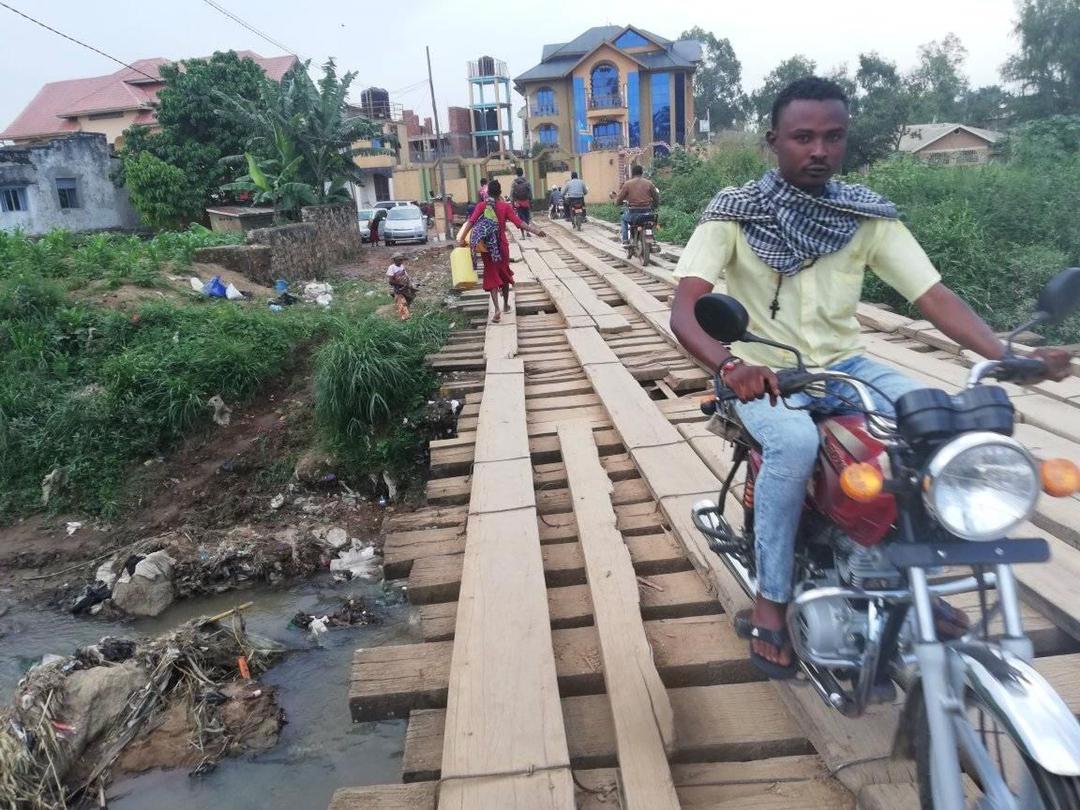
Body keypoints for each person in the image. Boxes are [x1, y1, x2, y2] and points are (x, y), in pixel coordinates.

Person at [669, 76, 1073, 680]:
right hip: (765, 370)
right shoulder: (733, 214)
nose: (819, 150)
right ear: (773, 141)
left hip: (846, 365)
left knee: (939, 422)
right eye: (803, 137)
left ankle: (915, 573)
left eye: (833, 137)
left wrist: (1008, 353)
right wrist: (730, 364)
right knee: (796, 443)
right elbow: (684, 309)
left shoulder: (864, 216)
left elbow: (932, 296)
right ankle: (772, 599)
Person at [458, 179, 547, 323]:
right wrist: (535, 230)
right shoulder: (504, 207)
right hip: (502, 247)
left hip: (487, 249)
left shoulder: (481, 206)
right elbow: (519, 222)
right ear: (500, 192)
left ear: (487, 193)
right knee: (504, 275)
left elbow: (471, 222)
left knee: (491, 275)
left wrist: (461, 239)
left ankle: (497, 309)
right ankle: (505, 305)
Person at [615, 164, 660, 245]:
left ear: (632, 173)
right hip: (647, 211)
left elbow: (619, 199)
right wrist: (655, 206)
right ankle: (652, 238)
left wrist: (617, 203)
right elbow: (656, 197)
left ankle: (625, 240)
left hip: (633, 213)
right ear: (642, 173)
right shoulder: (649, 183)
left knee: (623, 218)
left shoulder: (627, 184)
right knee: (650, 223)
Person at [386, 253, 416, 320]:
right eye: (399, 260)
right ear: (394, 260)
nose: (400, 262)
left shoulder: (402, 266)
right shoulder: (392, 267)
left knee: (411, 296)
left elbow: (406, 275)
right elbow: (390, 280)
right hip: (397, 287)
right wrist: (400, 284)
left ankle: (407, 308)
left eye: (401, 260)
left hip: (404, 285)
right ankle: (404, 317)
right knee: (401, 301)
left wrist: (408, 283)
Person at [511, 167, 533, 238]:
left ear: (516, 174)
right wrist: (530, 201)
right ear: (522, 173)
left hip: (518, 203)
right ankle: (527, 232)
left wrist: (513, 203)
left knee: (520, 218)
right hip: (526, 202)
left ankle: (523, 235)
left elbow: (512, 194)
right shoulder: (527, 182)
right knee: (527, 217)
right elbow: (530, 193)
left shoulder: (514, 182)